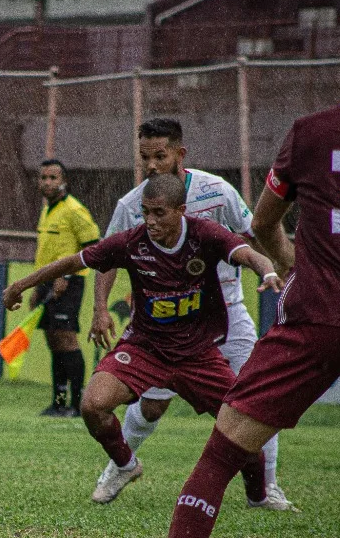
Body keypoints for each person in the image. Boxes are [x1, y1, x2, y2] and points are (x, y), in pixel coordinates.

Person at [130, 20, 340, 538]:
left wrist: (294, 271)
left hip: (313, 317)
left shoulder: (310, 134)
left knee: (221, 449)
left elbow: (262, 222)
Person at [3, 173, 283, 508]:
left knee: (244, 427)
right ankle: (125, 464)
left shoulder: (203, 234)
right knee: (93, 405)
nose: (150, 220)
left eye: (159, 213)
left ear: (181, 210)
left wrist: (266, 271)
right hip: (145, 348)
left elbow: (248, 253)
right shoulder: (131, 242)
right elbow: (75, 261)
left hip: (198, 354)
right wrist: (21, 285)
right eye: (146, 211)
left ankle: (258, 496)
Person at [88, 119, 295, 511]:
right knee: (150, 406)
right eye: (145, 156)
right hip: (167, 322)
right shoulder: (132, 206)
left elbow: (253, 230)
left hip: (229, 312)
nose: (151, 164)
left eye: (160, 155)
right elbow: (106, 259)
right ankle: (118, 468)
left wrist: (277, 266)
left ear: (180, 154)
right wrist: (100, 308)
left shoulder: (217, 191)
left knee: (256, 395)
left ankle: (267, 489)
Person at [31, 159, 101, 417]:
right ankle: (59, 402)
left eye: (53, 177)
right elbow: (46, 253)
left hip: (69, 282)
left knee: (67, 339)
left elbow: (92, 244)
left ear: (64, 181)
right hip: (48, 282)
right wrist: (37, 286)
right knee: (53, 340)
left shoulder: (74, 210)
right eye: (44, 177)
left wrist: (68, 275)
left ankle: (79, 403)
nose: (48, 182)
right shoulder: (48, 210)